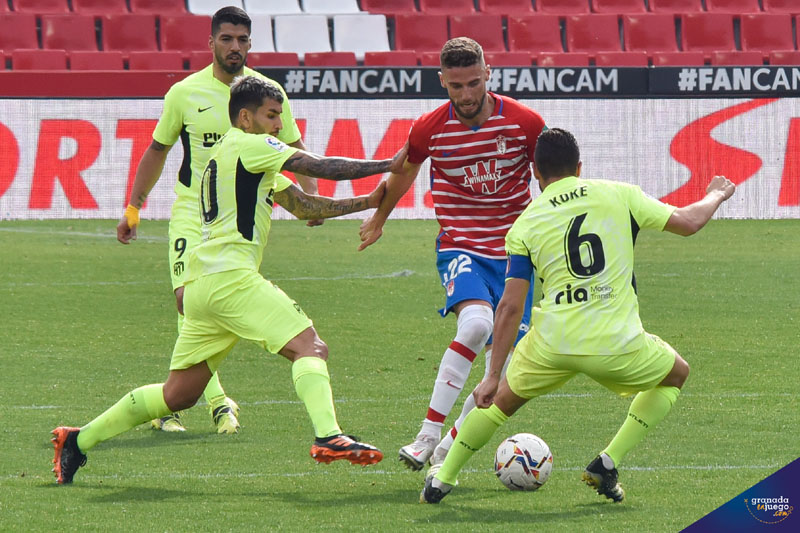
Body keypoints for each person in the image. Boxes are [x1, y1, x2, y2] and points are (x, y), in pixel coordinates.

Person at [51, 75, 407, 485]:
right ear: (245, 117)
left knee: (178, 394)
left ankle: (78, 440)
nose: (279, 124)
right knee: (310, 346)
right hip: (231, 279)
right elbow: (316, 166)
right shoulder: (252, 145)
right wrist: (387, 164)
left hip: (202, 287)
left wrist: (367, 202)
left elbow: (304, 206)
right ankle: (329, 435)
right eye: (271, 115)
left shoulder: (226, 155)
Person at [420, 128, 737, 504]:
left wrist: (491, 376)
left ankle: (442, 480)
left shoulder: (524, 224)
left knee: (498, 401)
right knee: (676, 374)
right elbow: (688, 222)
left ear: (536, 173)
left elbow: (510, 306)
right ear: (580, 167)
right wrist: (717, 194)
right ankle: (608, 461)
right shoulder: (620, 194)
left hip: (552, 344)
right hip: (615, 343)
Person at [116, 6, 322, 434]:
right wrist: (134, 208)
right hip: (192, 212)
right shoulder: (185, 93)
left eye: (242, 40)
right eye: (226, 39)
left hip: (235, 216)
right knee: (185, 299)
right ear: (211, 42)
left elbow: (294, 146)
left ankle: (175, 400)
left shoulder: (266, 93)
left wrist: (312, 198)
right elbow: (158, 149)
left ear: (250, 44)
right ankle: (216, 402)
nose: (234, 47)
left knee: (211, 302)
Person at [358, 37, 546, 471]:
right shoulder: (429, 128)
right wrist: (380, 218)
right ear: (442, 80)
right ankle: (426, 436)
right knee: (477, 324)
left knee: (504, 366)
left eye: (474, 83)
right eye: (456, 85)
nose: (466, 94)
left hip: (517, 255)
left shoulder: (525, 123)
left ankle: (447, 450)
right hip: (462, 245)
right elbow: (404, 171)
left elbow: (549, 180)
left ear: (489, 74)